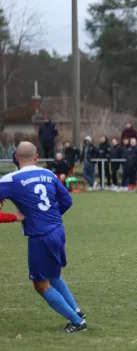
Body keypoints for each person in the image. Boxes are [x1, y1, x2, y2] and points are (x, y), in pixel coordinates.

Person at [0, 142, 86, 332]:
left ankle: (77, 323)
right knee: (53, 275)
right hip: (57, 230)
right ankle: (76, 311)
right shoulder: (49, 174)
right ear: (37, 157)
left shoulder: (10, 179)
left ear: (16, 158)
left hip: (40, 236)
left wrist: (13, 216)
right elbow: (67, 200)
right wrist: (51, 217)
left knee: (40, 284)